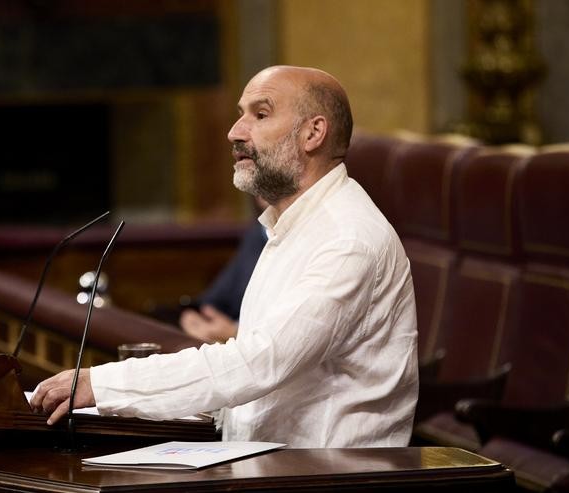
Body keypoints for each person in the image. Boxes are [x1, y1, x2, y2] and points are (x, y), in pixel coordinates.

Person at [30, 65, 419, 448]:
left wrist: (101, 385)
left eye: (260, 115)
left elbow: (258, 363)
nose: (235, 132)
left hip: (326, 477)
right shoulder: (293, 226)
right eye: (239, 115)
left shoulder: (347, 239)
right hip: (266, 466)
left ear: (313, 133)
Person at [179, 196, 268, 343]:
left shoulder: (308, 238)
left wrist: (236, 332)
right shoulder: (258, 233)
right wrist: (194, 317)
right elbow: (213, 301)